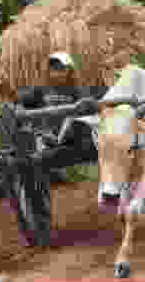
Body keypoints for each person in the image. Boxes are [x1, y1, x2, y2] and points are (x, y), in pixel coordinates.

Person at [17, 52, 104, 183]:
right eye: (53, 68)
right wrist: (21, 111)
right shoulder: (40, 90)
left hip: (68, 141)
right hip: (45, 138)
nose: (55, 72)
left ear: (69, 70)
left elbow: (86, 110)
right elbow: (20, 102)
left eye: (60, 68)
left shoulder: (77, 91)